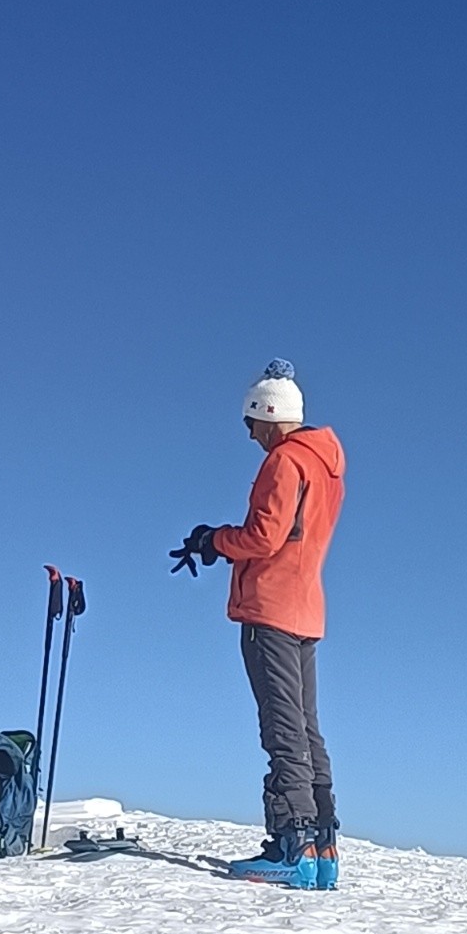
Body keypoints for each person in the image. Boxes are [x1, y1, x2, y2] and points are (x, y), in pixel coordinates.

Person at [170, 359, 345, 890]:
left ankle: (294, 847)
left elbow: (265, 538)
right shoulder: (325, 463)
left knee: (282, 727)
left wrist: (214, 540)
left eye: (251, 421)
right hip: (306, 608)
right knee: (306, 728)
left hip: (270, 607)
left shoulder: (284, 461)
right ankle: (322, 847)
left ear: (269, 415)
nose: (248, 433)